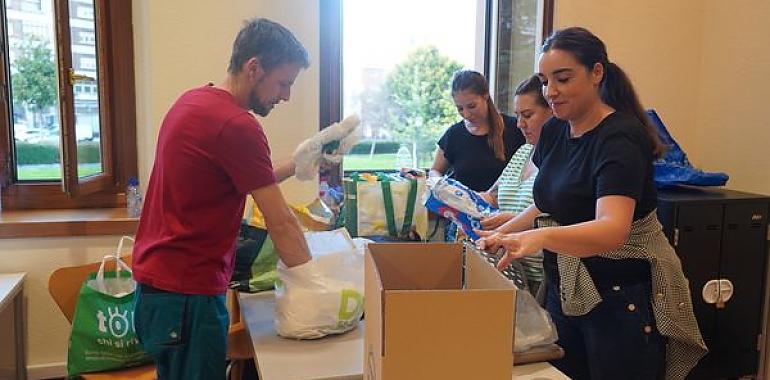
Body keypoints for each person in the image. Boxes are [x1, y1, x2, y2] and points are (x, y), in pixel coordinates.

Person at [476, 27, 706, 380]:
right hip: (565, 287)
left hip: (620, 295)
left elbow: (612, 228)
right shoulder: (555, 131)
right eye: (544, 80)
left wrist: (538, 239)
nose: (550, 92)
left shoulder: (620, 138)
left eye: (563, 79)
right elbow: (552, 202)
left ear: (597, 72)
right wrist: (502, 234)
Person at [131, 18, 314, 380]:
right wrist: (316, 287)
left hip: (163, 289)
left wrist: (299, 162)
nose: (286, 96)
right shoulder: (237, 125)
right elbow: (280, 221)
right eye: (284, 83)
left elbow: (240, 176)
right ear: (254, 68)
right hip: (187, 295)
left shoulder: (196, 101)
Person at [479, 75, 552, 293]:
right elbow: (492, 195)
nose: (520, 124)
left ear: (553, 111)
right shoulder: (523, 152)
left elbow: (559, 218)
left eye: (528, 115)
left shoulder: (560, 161)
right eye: (518, 115)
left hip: (541, 276)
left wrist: (507, 227)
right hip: (509, 269)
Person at [429, 70, 525, 192]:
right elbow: (435, 171)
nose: (466, 114)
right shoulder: (453, 135)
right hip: (462, 208)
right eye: (460, 109)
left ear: (485, 95)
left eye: (472, 106)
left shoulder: (515, 128)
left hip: (505, 209)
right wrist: (440, 184)